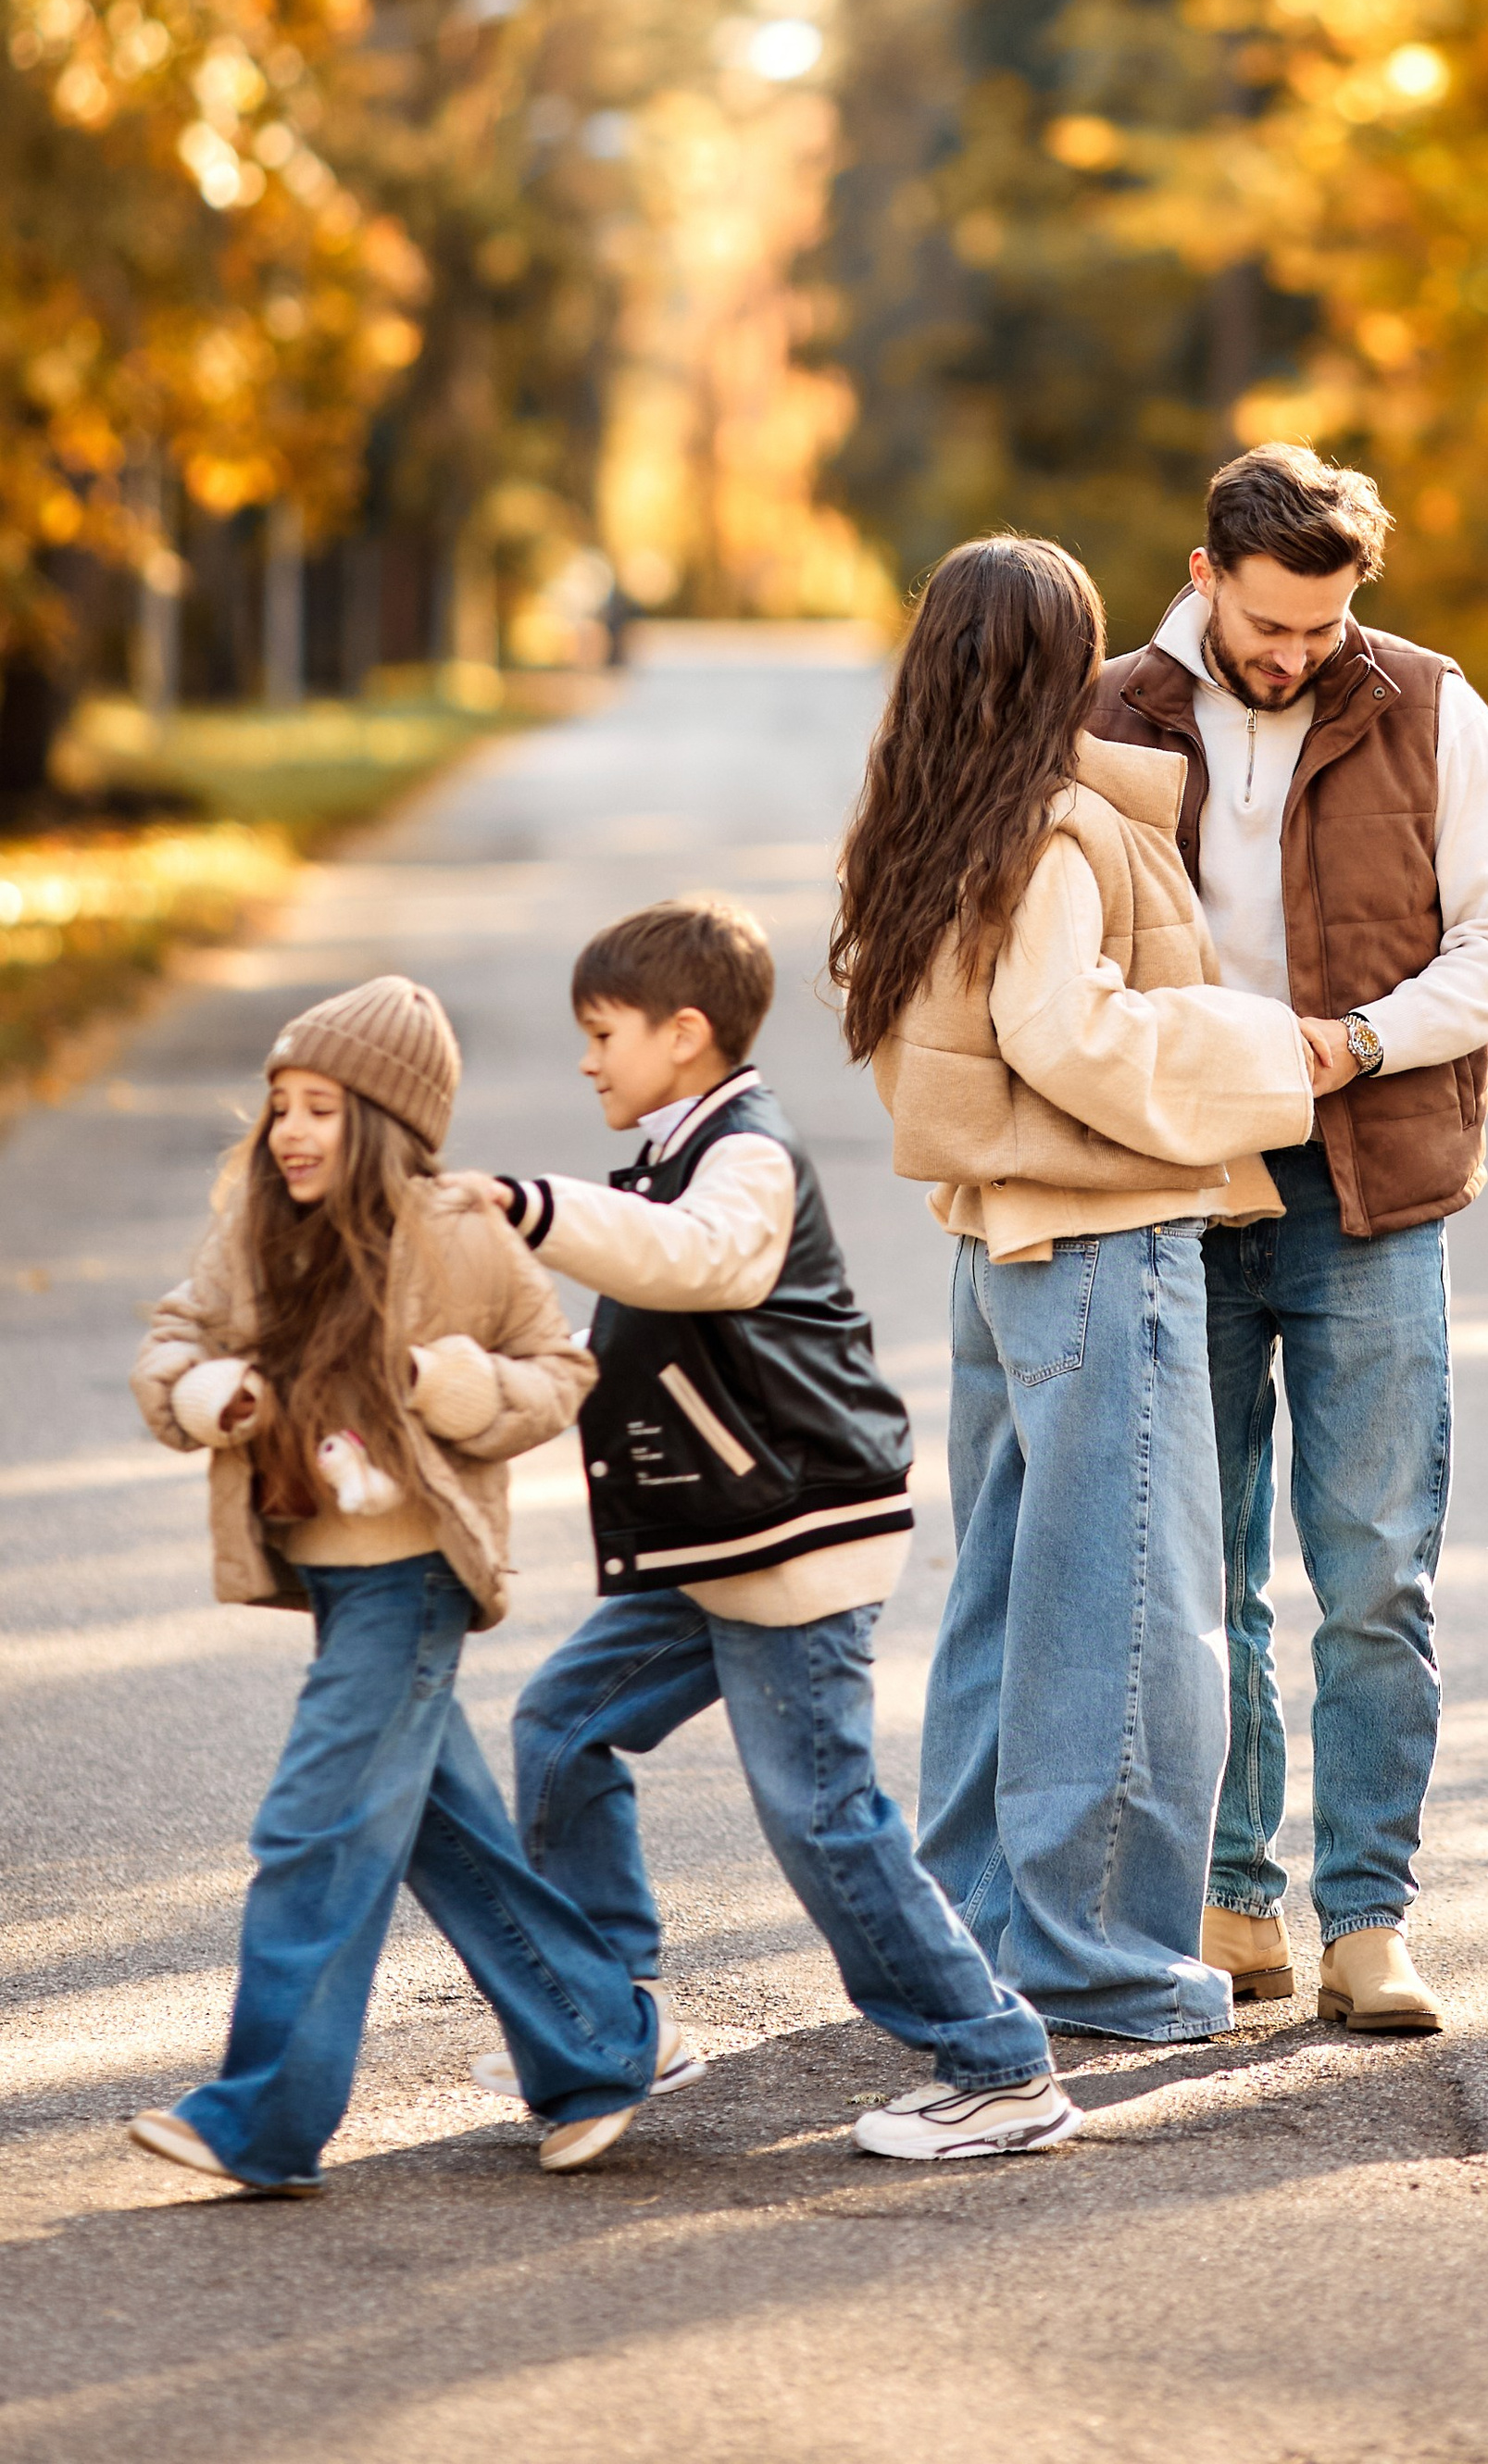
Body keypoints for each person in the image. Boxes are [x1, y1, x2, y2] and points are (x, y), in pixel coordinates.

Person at [458, 894, 1076, 2164]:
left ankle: (999, 2064)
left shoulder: (744, 1154)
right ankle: (611, 2018)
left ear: (684, 1035)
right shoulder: (678, 1153)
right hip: (719, 1543)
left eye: (604, 1033)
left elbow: (705, 1265)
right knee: (559, 1728)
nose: (587, 1060)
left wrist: (530, 1205)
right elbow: (644, 1342)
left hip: (790, 1540)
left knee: (824, 1813)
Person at [1084, 444, 1488, 2032]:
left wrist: (1358, 1042)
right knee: (1196, 1580)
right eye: (1271, 626)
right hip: (1175, 1192)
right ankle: (1231, 1902)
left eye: (1324, 628)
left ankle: (1371, 1919)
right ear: (1205, 575)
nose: (1296, 658)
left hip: (1374, 1192)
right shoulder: (1105, 714)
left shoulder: (1428, 703)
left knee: (1376, 1577)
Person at [835, 533, 1317, 2045]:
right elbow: (1069, 1033)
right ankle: (1095, 1953)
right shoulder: (1054, 836)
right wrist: (1268, 1054)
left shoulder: (929, 826)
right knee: (1121, 1611)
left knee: (1005, 1597)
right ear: (1061, 669)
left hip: (1001, 1250)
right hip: (1103, 1249)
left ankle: (976, 1920)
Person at [125, 976, 662, 2193]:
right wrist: (212, 1394)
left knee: (314, 1832)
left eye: (323, 1106)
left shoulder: (458, 1230)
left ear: (386, 1123)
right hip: (327, 1578)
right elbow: (174, 1339)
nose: (293, 1132)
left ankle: (262, 2119)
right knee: (444, 1830)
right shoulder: (255, 1227)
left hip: (412, 1578)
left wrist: (452, 1382)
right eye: (280, 1107)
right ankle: (596, 2045)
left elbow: (560, 1367)